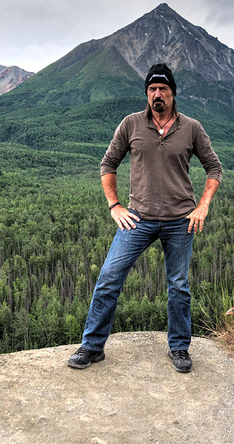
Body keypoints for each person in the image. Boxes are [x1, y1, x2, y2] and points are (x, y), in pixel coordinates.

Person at [68, 63, 222, 373]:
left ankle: (179, 347)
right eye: (152, 89)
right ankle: (92, 347)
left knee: (178, 286)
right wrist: (114, 206)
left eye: (163, 89)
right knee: (109, 277)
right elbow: (108, 164)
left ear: (173, 93)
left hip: (181, 221)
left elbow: (214, 168)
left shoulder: (192, 128)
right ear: (147, 94)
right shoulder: (131, 124)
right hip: (137, 218)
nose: (157, 94)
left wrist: (203, 205)